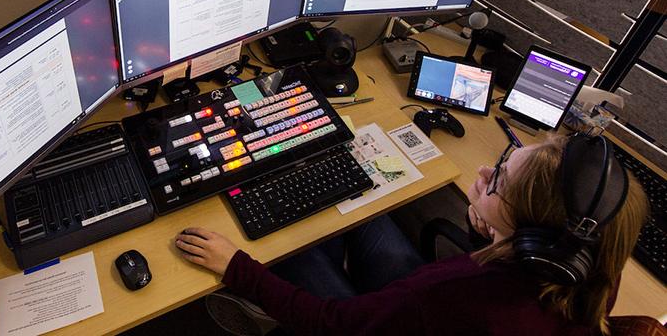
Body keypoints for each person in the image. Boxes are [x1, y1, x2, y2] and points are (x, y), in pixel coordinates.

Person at [175, 133, 648, 335]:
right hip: (432, 315)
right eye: (506, 156)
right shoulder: (592, 268)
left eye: (500, 178)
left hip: (355, 326)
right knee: (367, 215)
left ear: (532, 230)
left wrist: (238, 268)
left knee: (291, 248)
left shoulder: (457, 293)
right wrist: (496, 229)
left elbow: (334, 326)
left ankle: (266, 313)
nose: (485, 168)